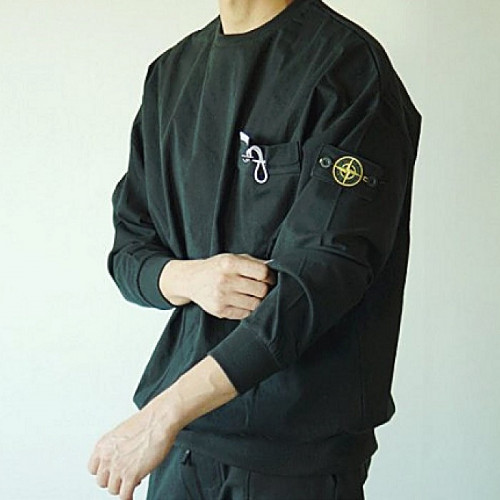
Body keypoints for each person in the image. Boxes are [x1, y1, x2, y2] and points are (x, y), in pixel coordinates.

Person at [88, 0, 421, 498]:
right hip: (182, 448)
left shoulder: (348, 70)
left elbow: (321, 279)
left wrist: (163, 413)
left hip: (292, 457)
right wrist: (191, 278)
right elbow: (129, 252)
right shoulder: (170, 75)